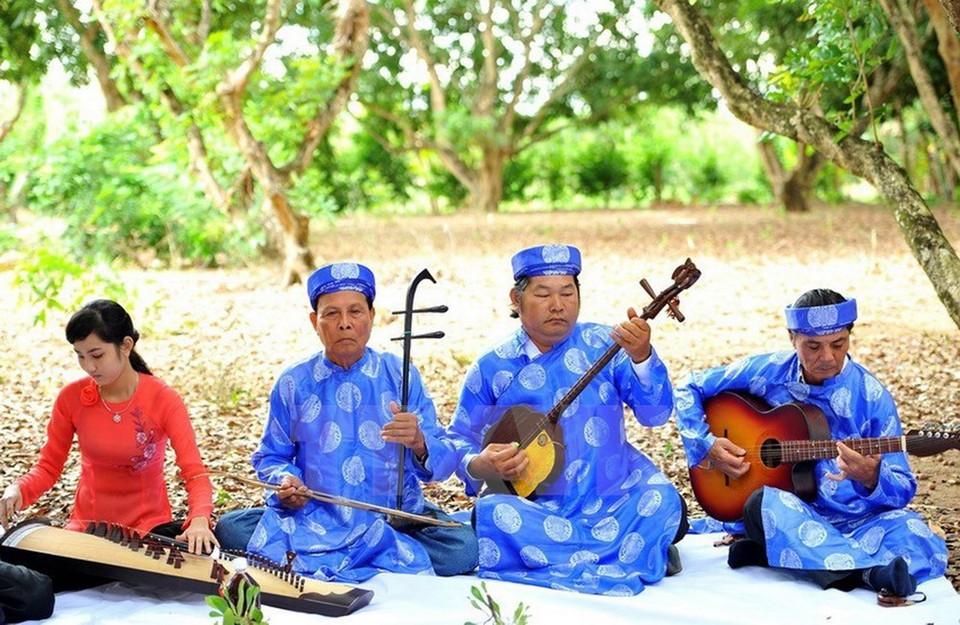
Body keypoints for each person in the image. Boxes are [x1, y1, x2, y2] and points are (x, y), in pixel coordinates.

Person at [446, 244, 687, 596]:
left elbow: (656, 414)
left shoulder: (607, 343)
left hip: (612, 494)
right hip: (538, 506)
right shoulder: (492, 366)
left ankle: (566, 556)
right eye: (543, 294)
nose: (557, 305)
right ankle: (635, 551)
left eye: (567, 293)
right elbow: (458, 439)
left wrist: (642, 357)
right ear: (516, 298)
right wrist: (479, 462)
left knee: (662, 500)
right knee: (493, 511)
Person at [213, 262, 478, 582]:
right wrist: (286, 481)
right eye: (332, 314)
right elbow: (272, 456)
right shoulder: (294, 382)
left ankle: (348, 550)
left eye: (355, 311)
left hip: (393, 517)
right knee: (230, 528)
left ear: (371, 316)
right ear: (315, 321)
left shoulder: (399, 374)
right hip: (317, 514)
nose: (345, 324)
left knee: (463, 549)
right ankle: (380, 554)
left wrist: (420, 441)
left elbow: (442, 462)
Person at [674, 289, 948, 596]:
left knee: (914, 531)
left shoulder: (871, 396)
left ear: (849, 337)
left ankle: (775, 554)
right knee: (762, 503)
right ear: (792, 339)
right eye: (813, 346)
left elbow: (901, 488)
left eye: (838, 344)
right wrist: (707, 443)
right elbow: (688, 386)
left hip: (856, 519)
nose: (827, 357)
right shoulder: (768, 371)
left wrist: (871, 477)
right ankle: (871, 574)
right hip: (789, 510)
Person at [0, 299, 218, 557]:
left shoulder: (163, 399)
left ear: (126, 345)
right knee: (32, 578)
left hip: (149, 531)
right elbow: (48, 467)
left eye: (97, 355)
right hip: (88, 532)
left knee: (202, 556)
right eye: (80, 356)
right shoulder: (71, 398)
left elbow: (194, 473)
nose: (89, 366)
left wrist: (199, 520)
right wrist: (19, 489)